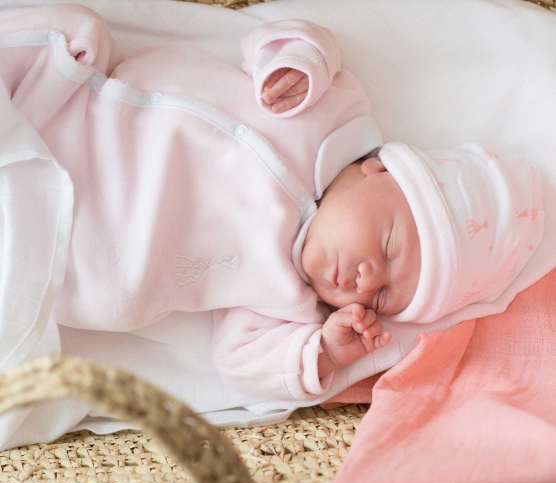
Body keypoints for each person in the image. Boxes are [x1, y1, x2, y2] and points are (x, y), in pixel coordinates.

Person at [0, 5, 543, 402]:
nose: (363, 281)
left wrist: (322, 353)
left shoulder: (288, 301)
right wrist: (297, 65)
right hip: (71, 118)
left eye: (381, 299)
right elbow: (297, 36)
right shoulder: (333, 110)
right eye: (386, 247)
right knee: (72, 31)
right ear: (381, 169)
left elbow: (240, 364)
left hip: (75, 264)